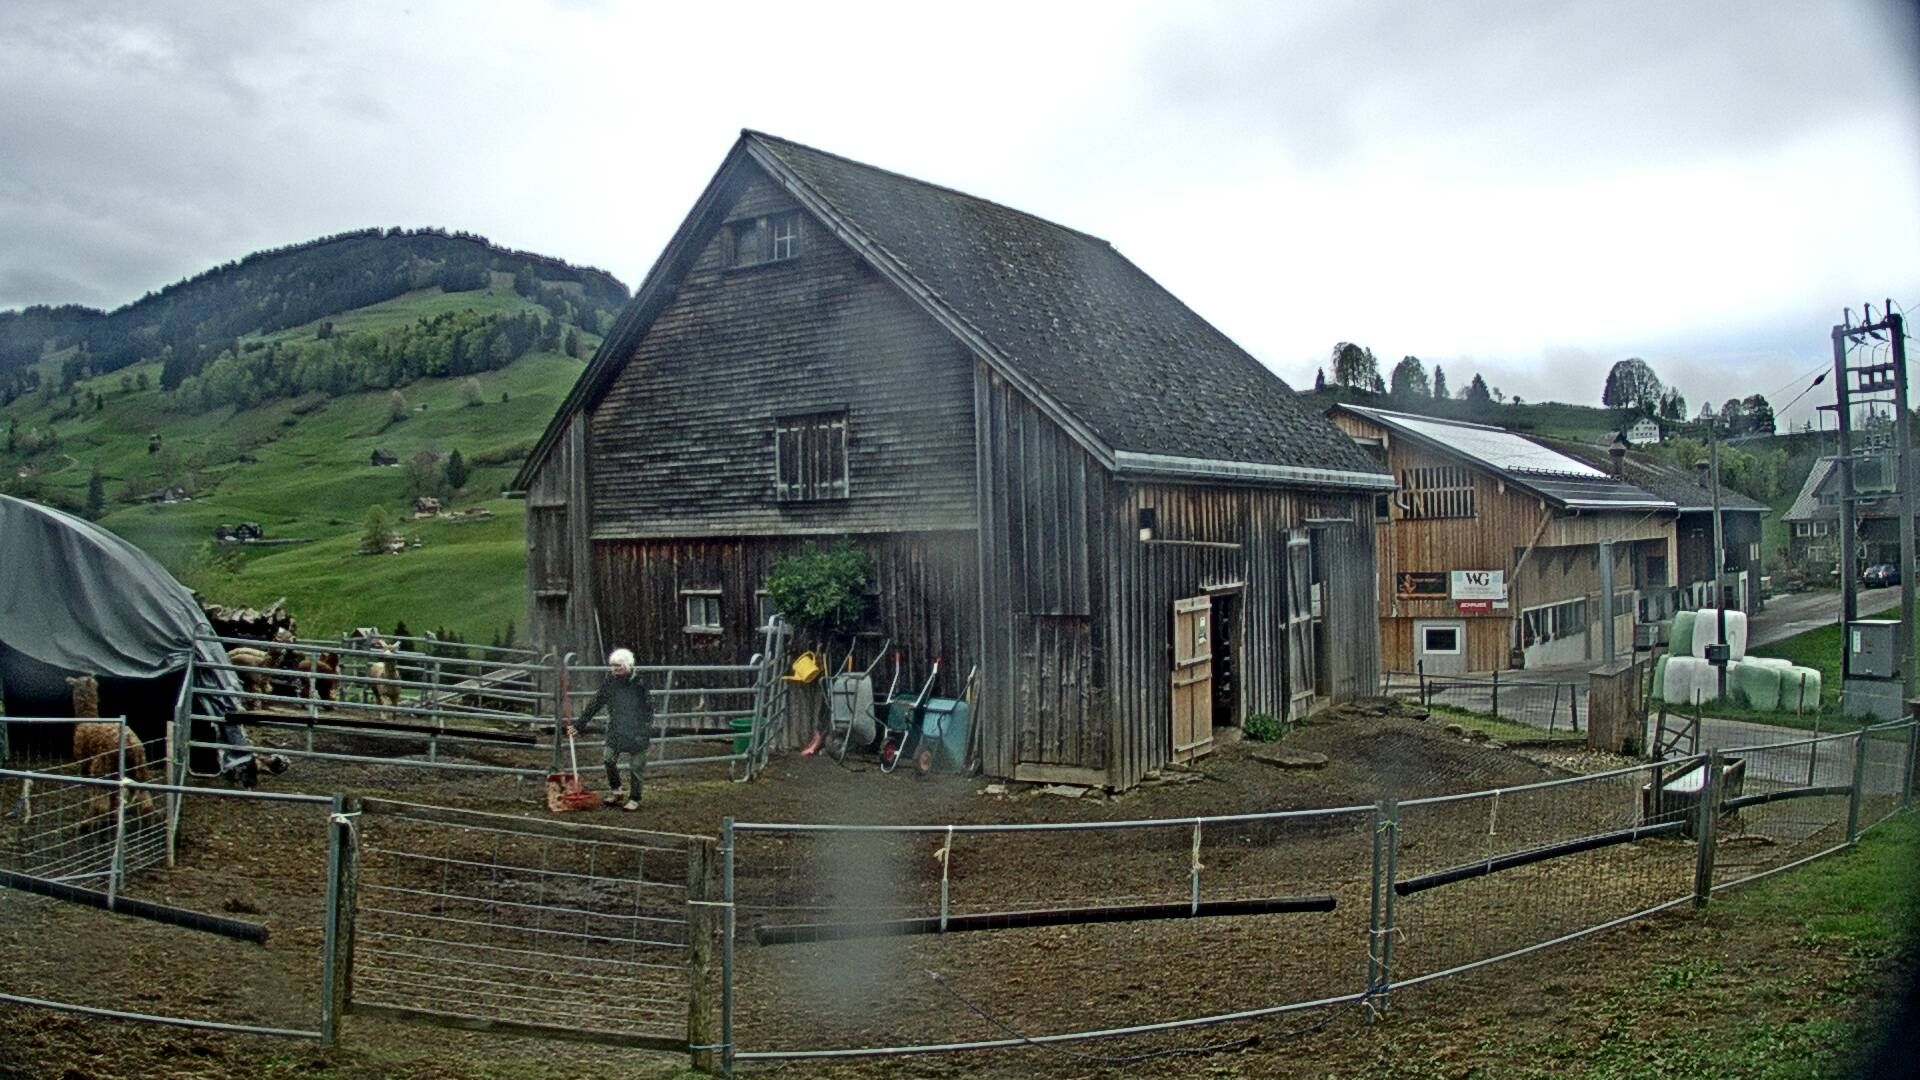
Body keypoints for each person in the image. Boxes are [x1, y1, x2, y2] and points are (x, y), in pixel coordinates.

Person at [567, 648, 654, 811]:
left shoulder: (640, 684)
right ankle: (617, 790)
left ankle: (634, 798)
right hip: (616, 729)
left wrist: (645, 731)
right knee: (608, 759)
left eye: (619, 666)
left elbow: (649, 710)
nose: (615, 669)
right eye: (613, 666)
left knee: (636, 767)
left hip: (637, 732)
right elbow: (596, 703)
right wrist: (580, 725)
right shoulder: (610, 682)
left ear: (628, 665)